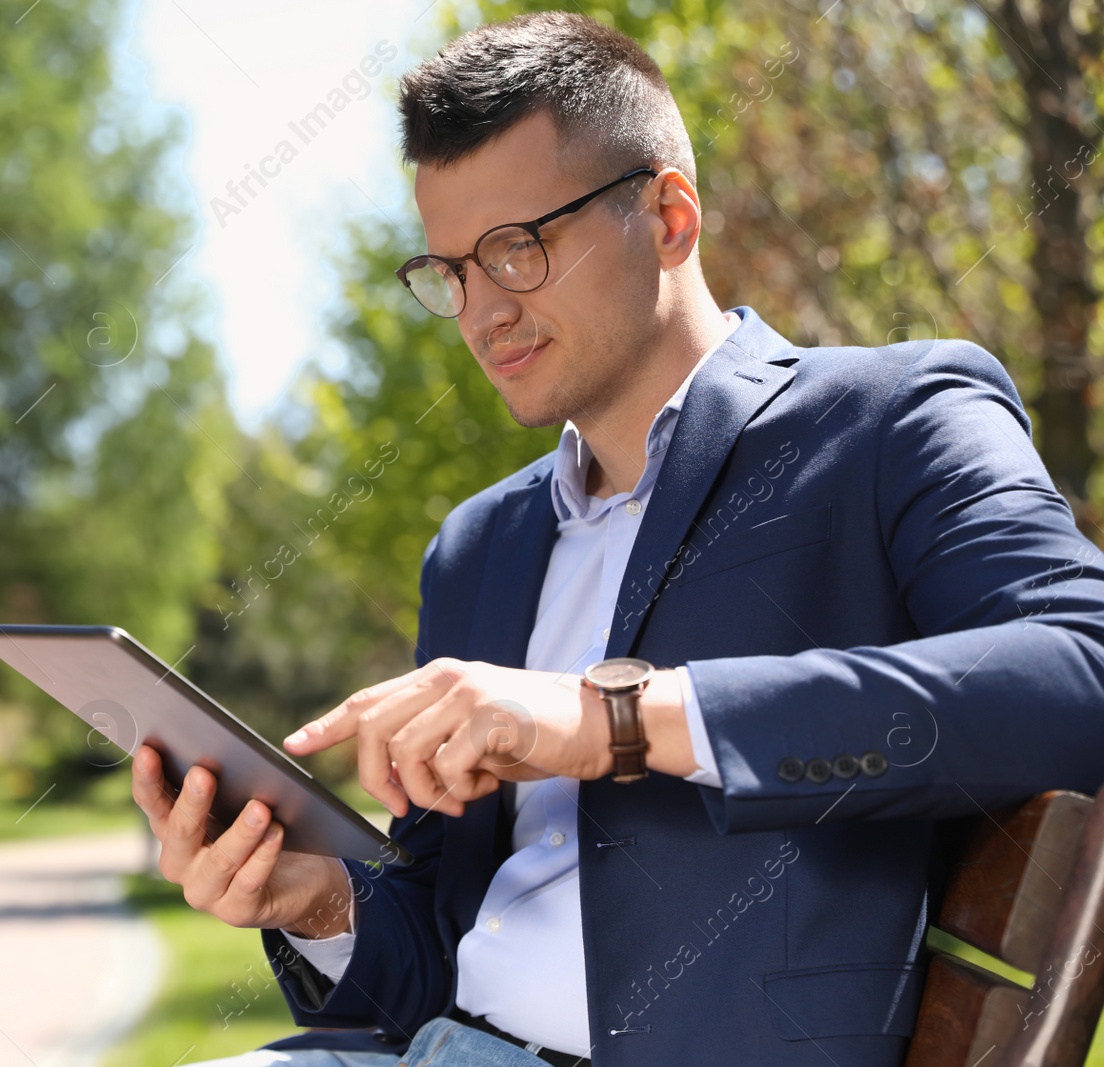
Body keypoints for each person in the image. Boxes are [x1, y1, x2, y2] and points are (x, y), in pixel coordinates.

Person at [129, 11, 1104, 1066]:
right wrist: (319, 901)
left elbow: (1079, 674)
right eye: (451, 270)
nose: (481, 314)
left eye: (516, 249)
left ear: (670, 216)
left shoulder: (888, 419)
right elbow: (438, 949)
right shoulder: (477, 545)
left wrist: (613, 721)